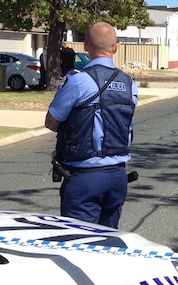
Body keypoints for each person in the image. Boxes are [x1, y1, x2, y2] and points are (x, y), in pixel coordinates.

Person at [45, 23, 138, 228]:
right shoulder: (130, 84)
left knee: (80, 245)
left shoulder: (79, 81)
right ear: (116, 47)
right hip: (118, 176)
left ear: (86, 46)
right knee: (107, 243)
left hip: (85, 178)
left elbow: (51, 121)